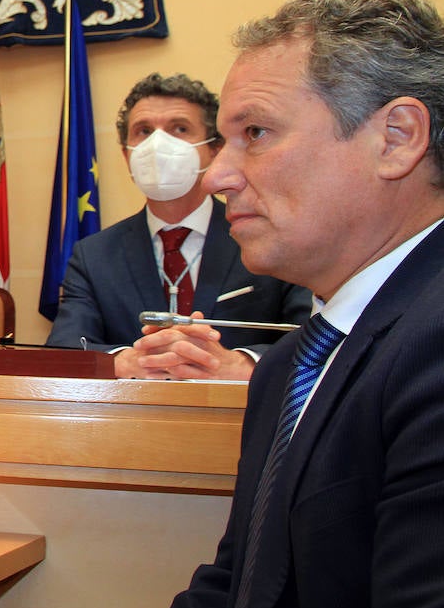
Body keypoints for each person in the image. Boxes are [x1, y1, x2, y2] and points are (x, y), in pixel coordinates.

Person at [150, 0, 444, 608]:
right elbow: (235, 590)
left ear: (396, 139)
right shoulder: (292, 364)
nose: (217, 175)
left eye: (255, 134)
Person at [46, 73, 311, 379]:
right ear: (126, 155)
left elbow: (313, 334)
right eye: (143, 131)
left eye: (179, 129)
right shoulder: (93, 255)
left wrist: (241, 364)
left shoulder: (271, 236)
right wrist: (127, 362)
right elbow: (64, 348)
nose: (158, 144)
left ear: (214, 149)